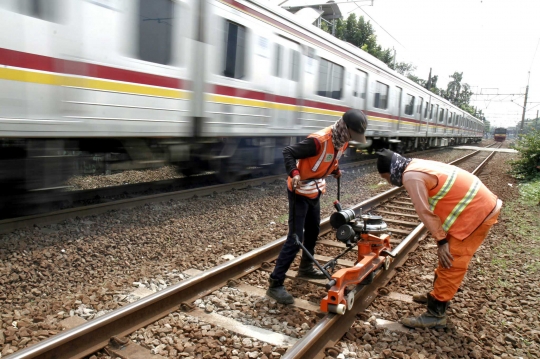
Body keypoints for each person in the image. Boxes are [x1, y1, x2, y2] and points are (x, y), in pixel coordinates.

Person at [376, 149, 502, 328]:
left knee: (452, 260)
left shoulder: (411, 176)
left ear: (391, 171)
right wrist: (441, 239)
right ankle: (436, 295)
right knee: (447, 257)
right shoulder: (414, 164)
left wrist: (441, 241)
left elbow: (424, 212)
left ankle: (436, 314)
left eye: (385, 178)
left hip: (477, 213)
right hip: (475, 207)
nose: (388, 182)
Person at [267, 109, 368, 304]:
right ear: (345, 128)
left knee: (313, 231)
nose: (353, 139)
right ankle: (275, 283)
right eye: (352, 134)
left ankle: (305, 267)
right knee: (296, 238)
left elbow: (329, 159)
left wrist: (336, 170)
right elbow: (288, 151)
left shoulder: (342, 140)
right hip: (299, 192)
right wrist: (294, 172)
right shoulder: (318, 141)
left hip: (315, 190)